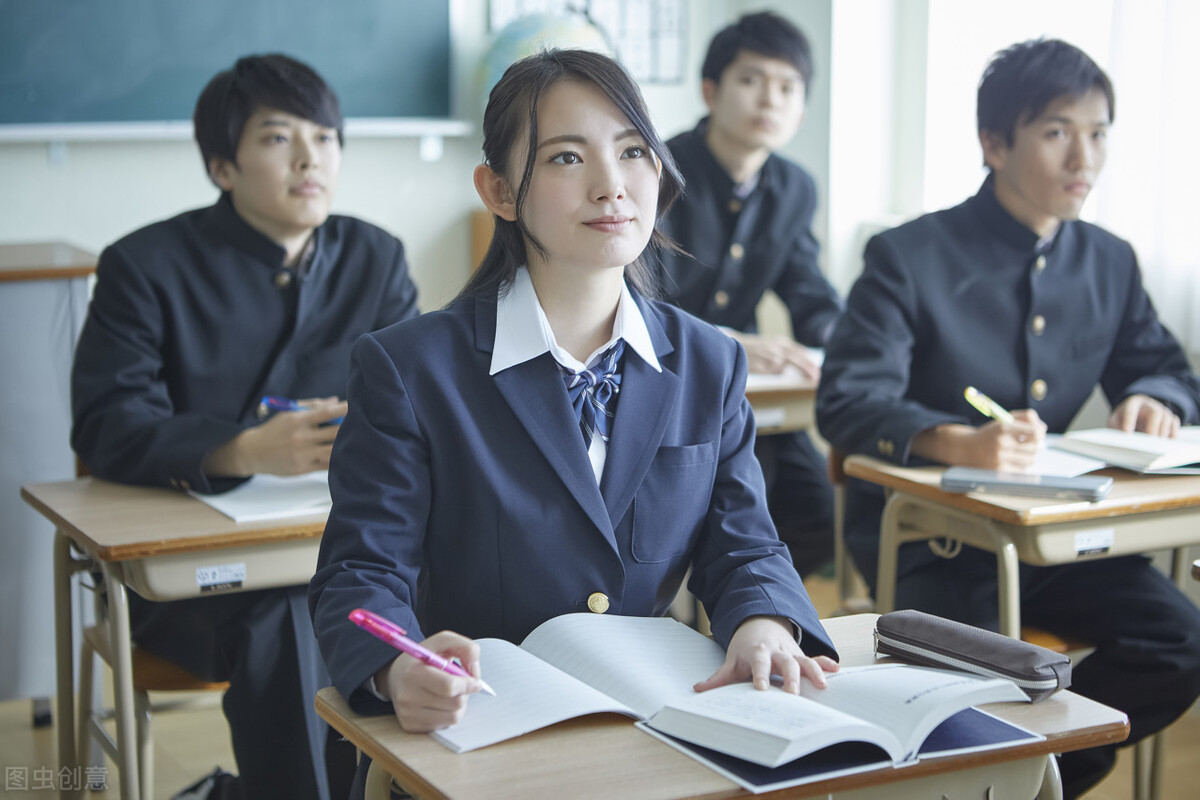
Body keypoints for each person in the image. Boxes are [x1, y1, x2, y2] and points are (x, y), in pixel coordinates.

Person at [308, 48, 839, 793]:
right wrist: (399, 667)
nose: (612, 186)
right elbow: (361, 574)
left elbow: (745, 544)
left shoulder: (709, 362)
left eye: (633, 152)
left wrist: (763, 623)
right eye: (565, 157)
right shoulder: (410, 368)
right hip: (480, 739)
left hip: (655, 734)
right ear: (498, 191)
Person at [816, 38, 1200, 797]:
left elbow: (1167, 368)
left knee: (1181, 641)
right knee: (981, 685)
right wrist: (955, 439)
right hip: (932, 541)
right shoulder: (907, 255)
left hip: (1056, 541)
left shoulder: (1110, 260)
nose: (1082, 156)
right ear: (994, 144)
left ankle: (1029, 780)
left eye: (1098, 133)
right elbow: (847, 402)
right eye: (1058, 132)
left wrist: (1158, 397)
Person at [71, 54, 419, 800]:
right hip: (195, 583)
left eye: (325, 137)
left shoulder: (376, 256)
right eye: (277, 138)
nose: (310, 158)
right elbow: (105, 424)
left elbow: (418, 404)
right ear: (222, 166)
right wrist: (236, 449)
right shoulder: (144, 266)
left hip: (350, 548)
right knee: (293, 612)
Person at [655, 11, 842, 577]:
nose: (770, 100)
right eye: (751, 80)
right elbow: (628, 301)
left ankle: (765, 626)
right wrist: (730, 340)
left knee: (814, 512)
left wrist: (852, 344)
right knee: (725, 505)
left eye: (788, 88)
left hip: (745, 394)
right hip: (663, 385)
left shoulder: (793, 188)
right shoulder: (656, 171)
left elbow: (808, 291)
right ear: (710, 90)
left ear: (802, 110)